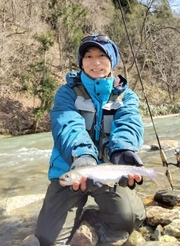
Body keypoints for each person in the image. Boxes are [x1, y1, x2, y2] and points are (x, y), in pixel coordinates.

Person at [35, 34, 146, 245]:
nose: (95, 62)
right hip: (72, 167)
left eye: (102, 56)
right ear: (81, 62)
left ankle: (91, 216)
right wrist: (82, 156)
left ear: (112, 60)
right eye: (88, 56)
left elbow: (129, 123)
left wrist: (123, 150)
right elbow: (68, 126)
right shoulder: (66, 93)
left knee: (129, 220)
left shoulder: (126, 96)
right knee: (48, 239)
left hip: (108, 168)